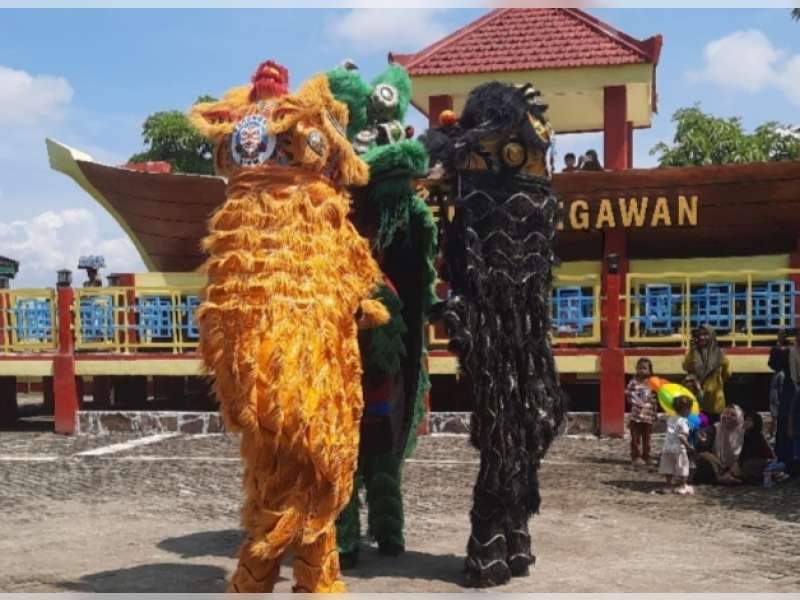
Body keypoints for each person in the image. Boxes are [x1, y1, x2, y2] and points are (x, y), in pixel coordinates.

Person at [682, 324, 731, 423]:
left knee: (714, 428)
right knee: (697, 428)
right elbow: (685, 367)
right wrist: (692, 351)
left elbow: (727, 372)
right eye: (700, 335)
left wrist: (716, 384)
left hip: (715, 401)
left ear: (712, 336)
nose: (702, 337)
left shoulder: (719, 353)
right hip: (696, 400)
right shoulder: (692, 352)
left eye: (705, 334)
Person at [768, 328, 800, 469]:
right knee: (786, 428)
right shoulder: (788, 352)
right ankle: (786, 461)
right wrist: (780, 343)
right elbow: (774, 364)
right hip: (791, 396)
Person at [693, 404, 745, 484]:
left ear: (739, 418)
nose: (728, 416)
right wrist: (702, 441)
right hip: (717, 465)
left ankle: (728, 477)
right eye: (725, 413)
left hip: (736, 466)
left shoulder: (744, 432)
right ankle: (721, 478)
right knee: (705, 456)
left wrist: (737, 464)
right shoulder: (714, 428)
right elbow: (701, 446)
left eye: (733, 415)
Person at [658, 395, 694, 495]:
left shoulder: (670, 419)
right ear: (686, 409)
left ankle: (668, 485)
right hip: (679, 449)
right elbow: (681, 436)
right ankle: (683, 486)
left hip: (667, 448)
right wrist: (689, 447)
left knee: (668, 467)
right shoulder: (684, 422)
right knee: (683, 466)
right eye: (690, 409)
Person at [625, 358, 658, 466]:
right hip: (636, 416)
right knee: (635, 438)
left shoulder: (652, 383)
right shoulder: (633, 382)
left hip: (648, 416)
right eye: (639, 368)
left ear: (650, 370)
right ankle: (636, 457)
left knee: (647, 439)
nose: (642, 370)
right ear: (636, 369)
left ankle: (646, 456)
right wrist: (633, 400)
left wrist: (655, 413)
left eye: (644, 368)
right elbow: (628, 395)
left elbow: (655, 399)